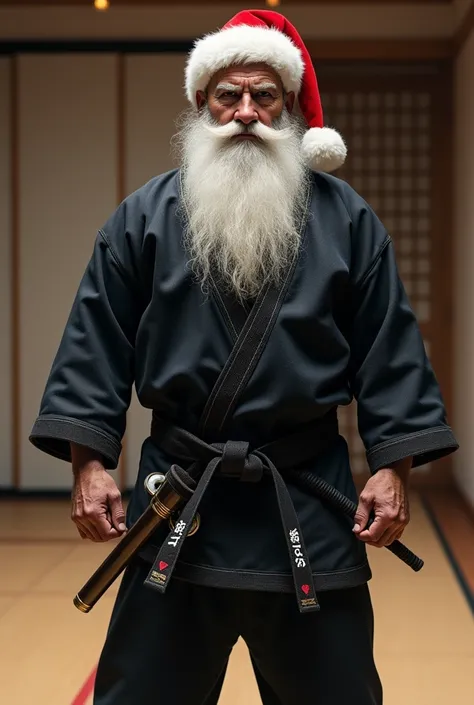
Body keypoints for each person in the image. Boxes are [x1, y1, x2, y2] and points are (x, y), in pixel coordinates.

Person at [30, 9, 458, 705]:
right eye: (229, 95)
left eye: (265, 95)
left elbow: (391, 347)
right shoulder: (143, 218)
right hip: (179, 501)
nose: (247, 113)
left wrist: (393, 466)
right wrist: (89, 459)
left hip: (307, 498)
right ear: (202, 104)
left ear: (288, 108)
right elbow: (95, 337)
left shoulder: (347, 221)